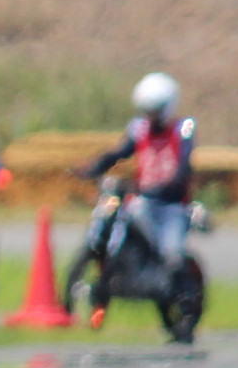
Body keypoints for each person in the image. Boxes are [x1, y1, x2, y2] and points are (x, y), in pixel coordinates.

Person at [80, 72, 196, 271]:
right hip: (143, 199)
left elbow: (184, 167)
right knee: (122, 214)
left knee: (171, 255)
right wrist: (96, 167)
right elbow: (121, 152)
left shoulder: (182, 129)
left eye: (155, 110)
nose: (151, 116)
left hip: (171, 205)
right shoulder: (140, 129)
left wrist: (169, 184)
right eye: (147, 110)